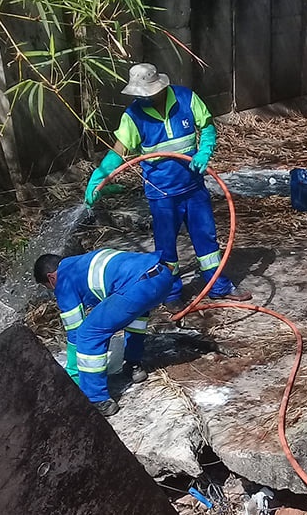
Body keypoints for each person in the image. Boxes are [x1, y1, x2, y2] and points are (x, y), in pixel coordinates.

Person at [84, 62, 251, 307]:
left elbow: (206, 126)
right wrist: (99, 178)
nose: (144, 98)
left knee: (207, 240)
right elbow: (118, 153)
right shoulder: (133, 117)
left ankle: (217, 285)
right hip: (161, 194)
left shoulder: (186, 99)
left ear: (160, 87)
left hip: (193, 187)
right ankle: (171, 294)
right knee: (166, 248)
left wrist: (204, 151)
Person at [34, 249, 173, 416]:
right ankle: (134, 366)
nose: (53, 291)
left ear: (51, 278)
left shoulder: (63, 279)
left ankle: (97, 399)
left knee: (89, 333)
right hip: (161, 275)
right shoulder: (81, 261)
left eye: (49, 288)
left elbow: (75, 330)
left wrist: (73, 372)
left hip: (136, 287)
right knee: (136, 316)